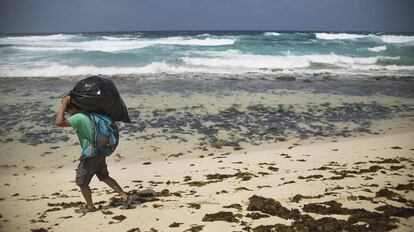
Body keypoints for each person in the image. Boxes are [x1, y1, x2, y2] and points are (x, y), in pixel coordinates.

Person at [56, 95, 131, 213]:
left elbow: (59, 122)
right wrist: (66, 104)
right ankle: (125, 196)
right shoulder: (89, 113)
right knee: (104, 176)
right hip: (100, 151)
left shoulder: (78, 117)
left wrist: (63, 104)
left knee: (81, 182)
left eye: (67, 110)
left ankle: (90, 206)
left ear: (72, 107)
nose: (66, 112)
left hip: (91, 154)